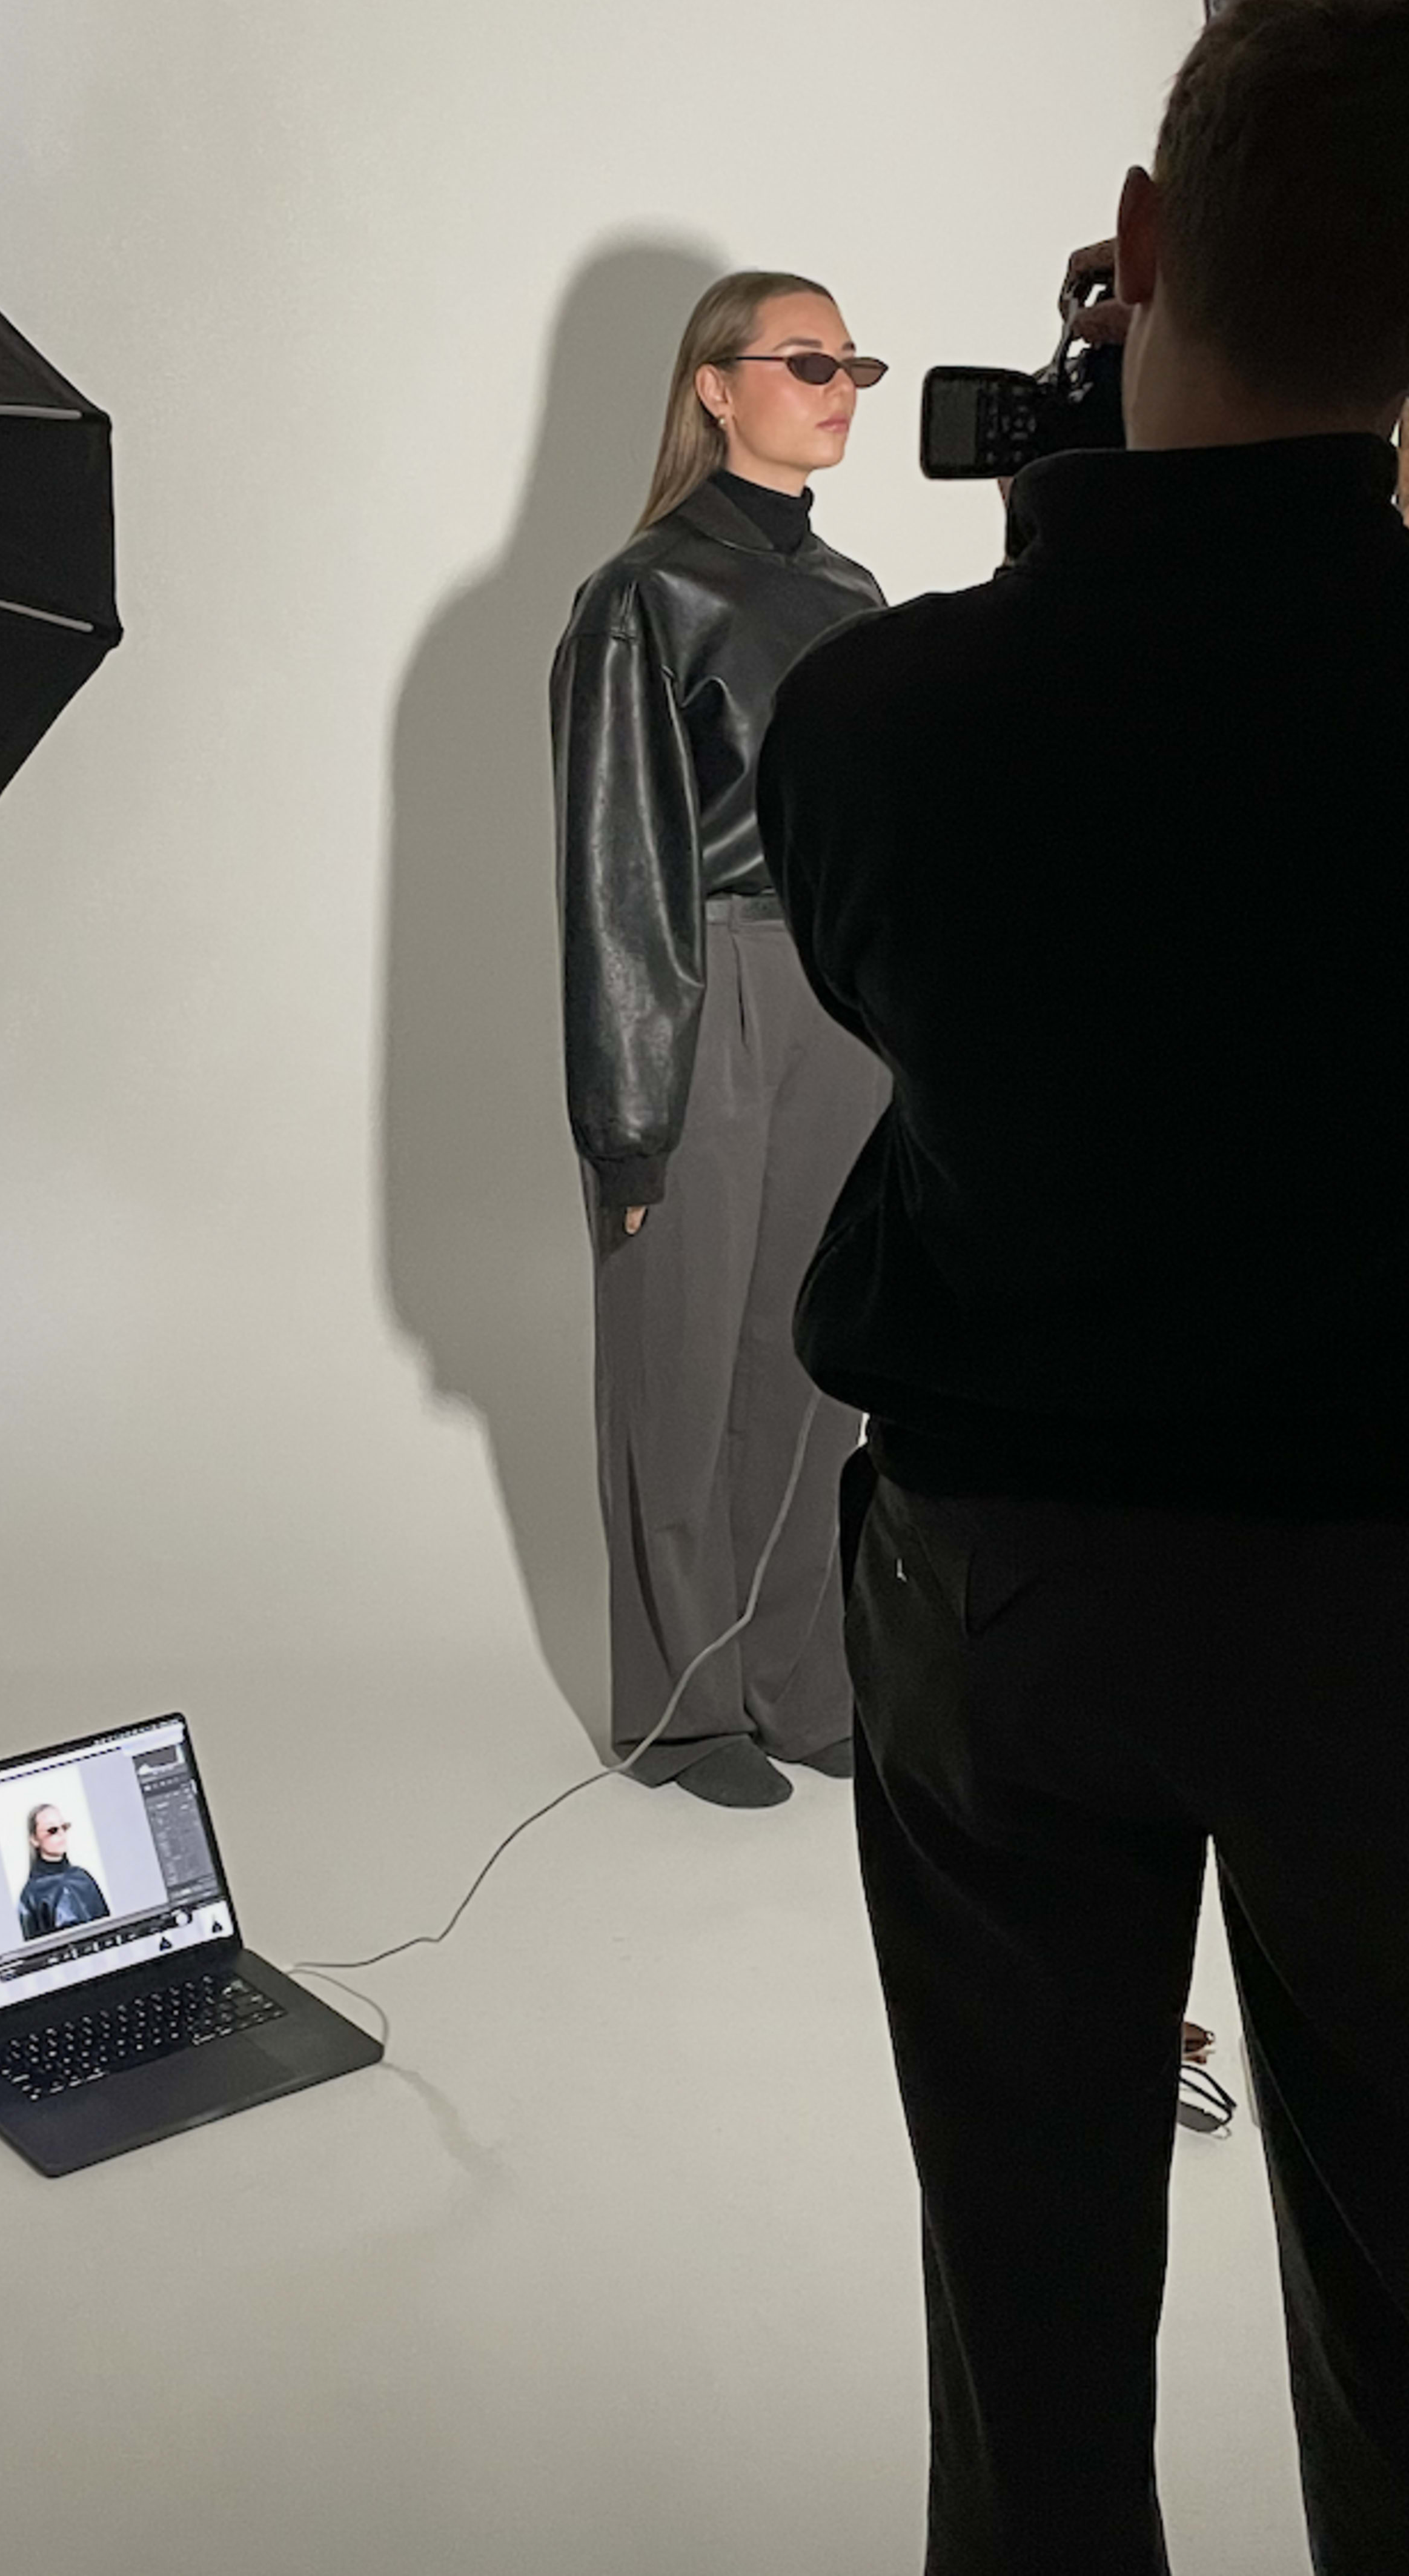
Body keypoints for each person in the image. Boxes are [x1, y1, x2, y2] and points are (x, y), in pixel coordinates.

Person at [757, 0, 1409, 2574]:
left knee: (1031, 2296)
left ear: (1137, 235)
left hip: (1009, 1597)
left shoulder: (878, 720)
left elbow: (939, 906)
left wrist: (1086, 471)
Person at [549, 274, 892, 1808]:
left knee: (817, 1362)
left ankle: (801, 1680)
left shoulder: (855, 597)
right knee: (677, 1365)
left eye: (852, 365)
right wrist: (627, 1114)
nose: (837, 388)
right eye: (804, 361)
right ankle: (683, 1714)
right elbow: (617, 868)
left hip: (843, 1003)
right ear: (711, 386)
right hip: (700, 983)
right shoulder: (642, 596)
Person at [16, 1801, 111, 1940]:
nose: (61, 1834)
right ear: (34, 1839)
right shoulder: (31, 1895)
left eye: (64, 1827)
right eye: (53, 1830)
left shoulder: (83, 1878)